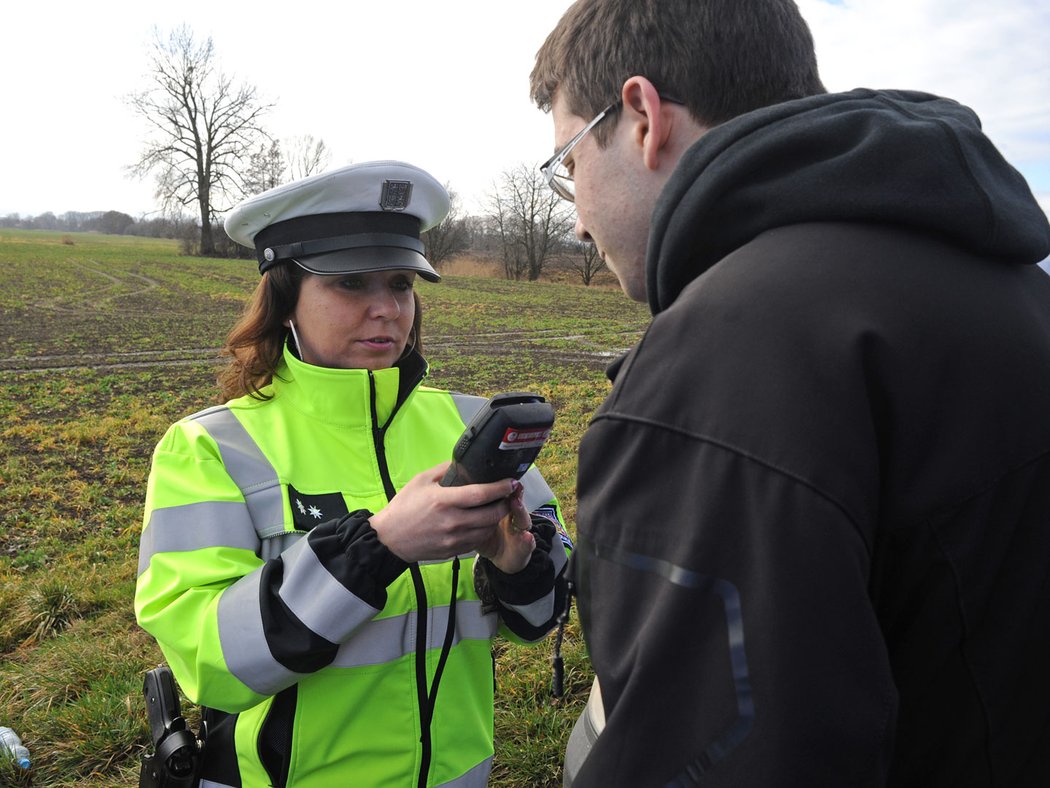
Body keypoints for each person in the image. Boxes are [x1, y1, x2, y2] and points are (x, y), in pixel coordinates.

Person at [529, 1, 1050, 785]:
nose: (576, 224)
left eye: (569, 163)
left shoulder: (721, 362)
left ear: (642, 116)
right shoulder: (1014, 286)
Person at [134, 161, 572, 787]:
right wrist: (381, 547)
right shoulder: (209, 448)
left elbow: (544, 618)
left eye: (400, 283)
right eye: (351, 284)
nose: (386, 310)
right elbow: (208, 662)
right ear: (285, 302)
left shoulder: (470, 425)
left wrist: (517, 566)